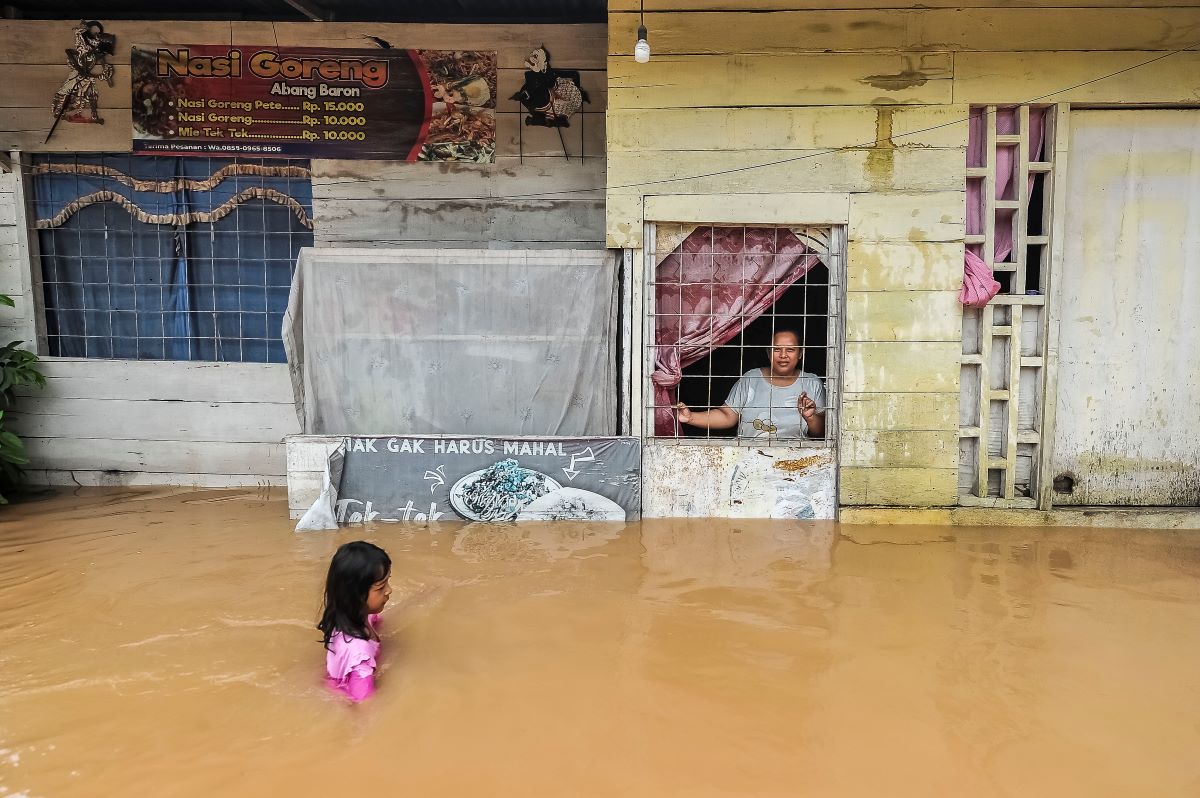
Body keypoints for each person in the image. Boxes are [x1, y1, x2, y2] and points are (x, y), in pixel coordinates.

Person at [674, 330, 826, 439]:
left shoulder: (812, 383)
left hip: (796, 463)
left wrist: (810, 417)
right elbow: (728, 416)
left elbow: (821, 433)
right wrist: (690, 418)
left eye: (790, 350)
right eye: (777, 349)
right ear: (768, 353)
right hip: (748, 460)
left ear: (800, 353)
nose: (783, 355)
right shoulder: (751, 379)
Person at [318, 541, 392, 702]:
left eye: (388, 581)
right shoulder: (360, 660)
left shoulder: (349, 616)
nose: (389, 590)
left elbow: (375, 619)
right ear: (356, 597)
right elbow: (364, 704)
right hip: (343, 688)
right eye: (380, 588)